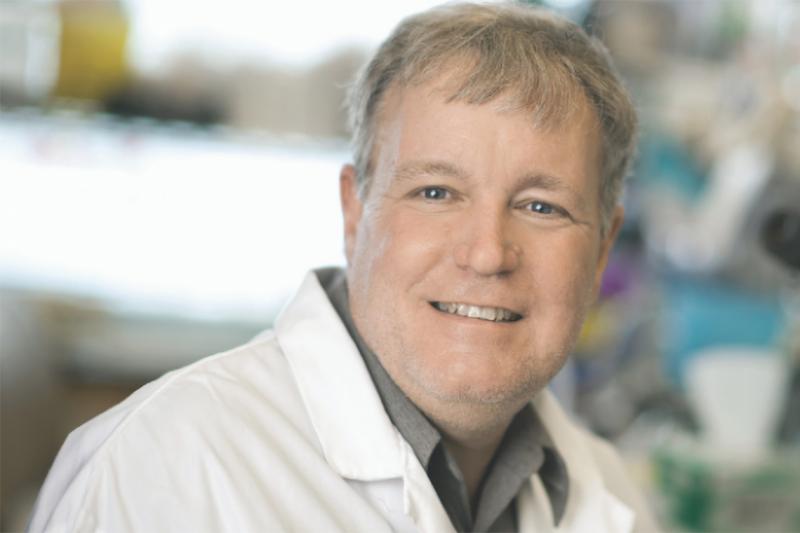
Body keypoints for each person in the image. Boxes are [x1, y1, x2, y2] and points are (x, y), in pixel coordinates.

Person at [28, 3, 659, 532]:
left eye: (541, 206)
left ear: (603, 248)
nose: (488, 252)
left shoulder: (610, 493)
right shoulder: (165, 473)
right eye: (436, 192)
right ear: (354, 213)